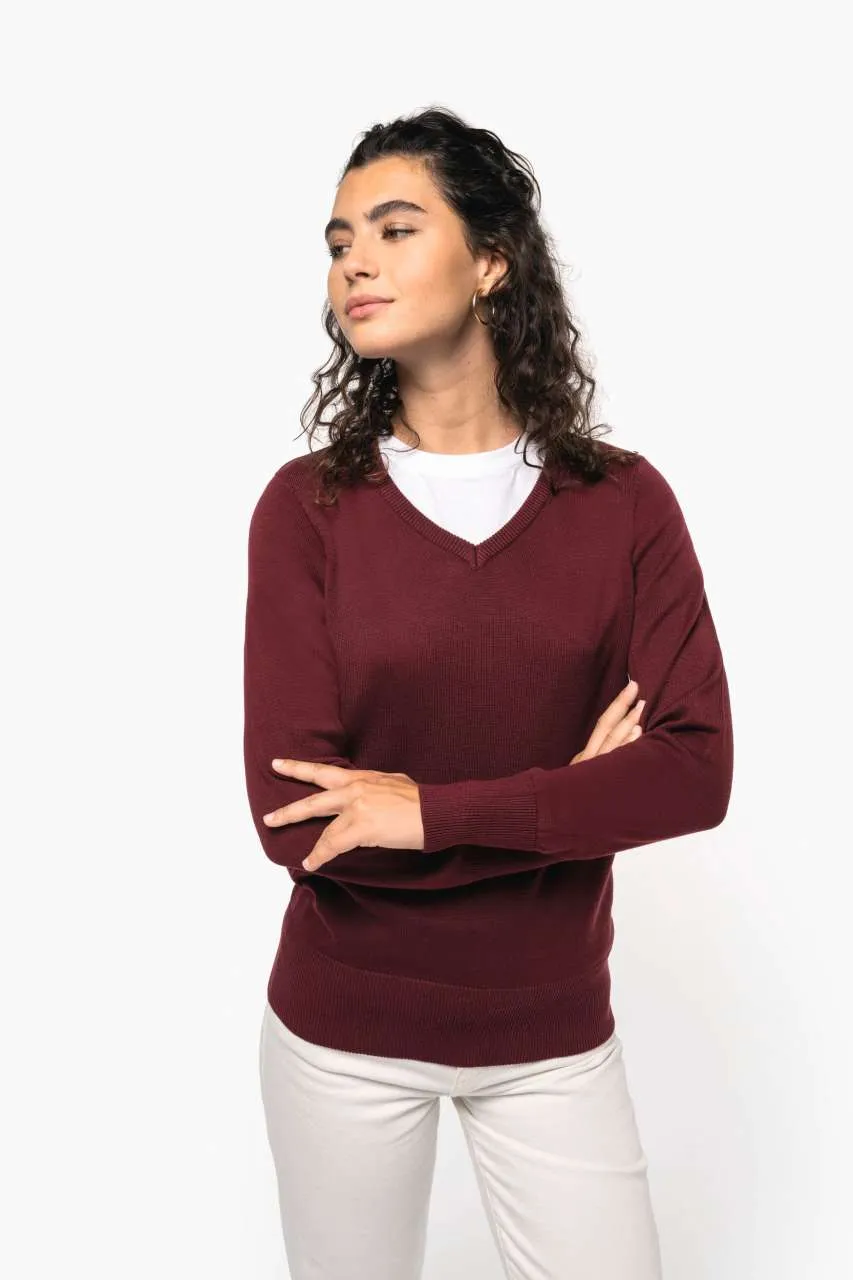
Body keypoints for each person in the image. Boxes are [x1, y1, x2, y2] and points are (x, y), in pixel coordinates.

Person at [243, 105, 733, 1280]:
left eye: (395, 229)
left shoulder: (623, 504)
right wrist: (571, 799)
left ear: (491, 261)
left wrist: (425, 811)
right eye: (339, 240)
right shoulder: (306, 509)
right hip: (343, 1034)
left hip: (551, 1031)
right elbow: (296, 824)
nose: (353, 261)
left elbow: (695, 771)